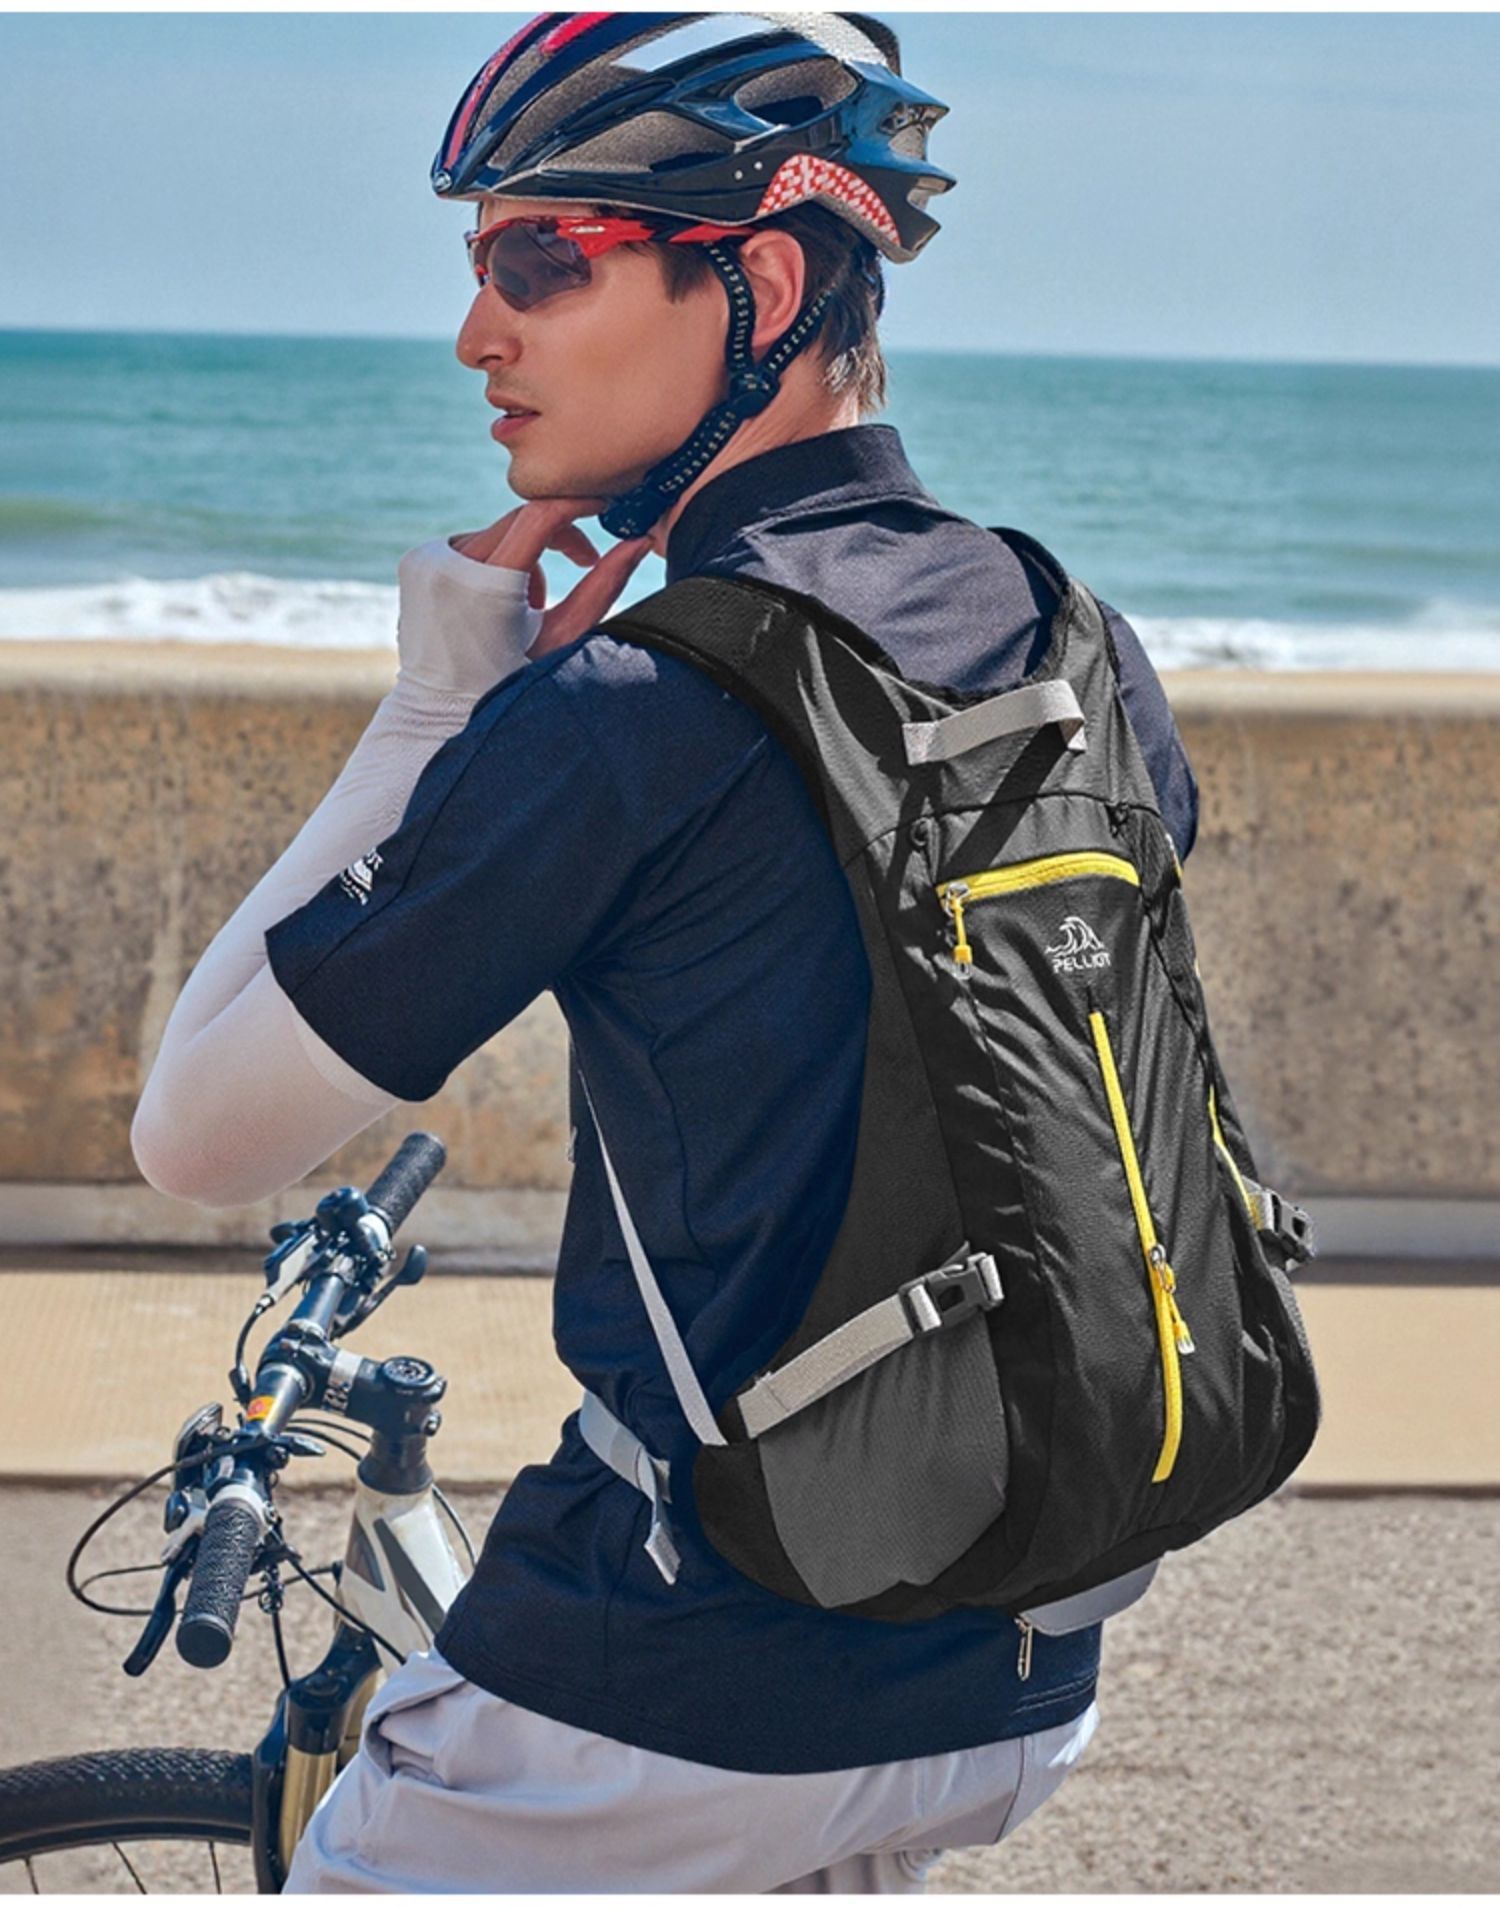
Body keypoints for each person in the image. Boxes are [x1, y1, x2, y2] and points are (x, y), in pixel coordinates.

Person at [132, 13, 1199, 1892]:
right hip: (1020, 1662)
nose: (478, 333)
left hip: (679, 1687)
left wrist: (432, 710)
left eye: (542, 259)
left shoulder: (635, 708)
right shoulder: (1069, 633)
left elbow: (196, 1137)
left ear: (760, 285)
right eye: (478, 265)